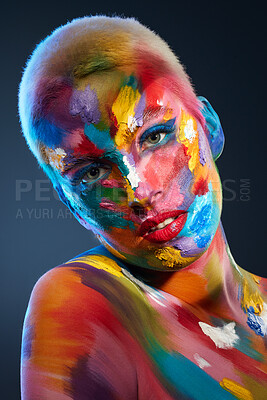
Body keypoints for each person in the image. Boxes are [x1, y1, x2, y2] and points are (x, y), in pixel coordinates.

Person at [19, 15, 267, 400]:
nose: (139, 190)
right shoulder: (83, 302)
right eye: (92, 171)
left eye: (154, 136)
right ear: (69, 202)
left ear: (210, 126)